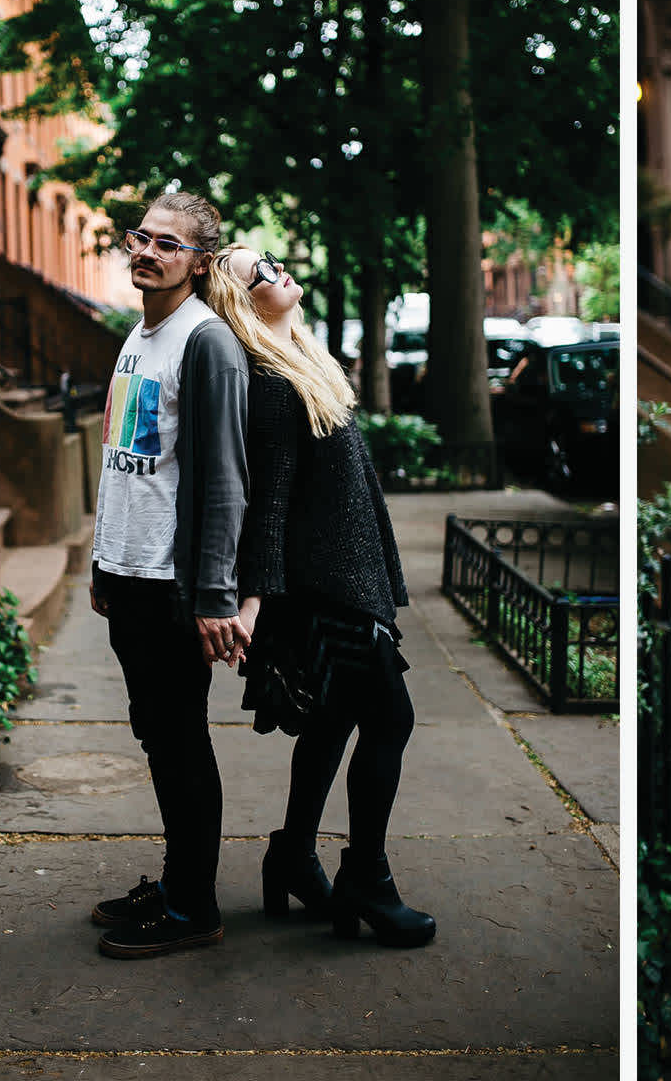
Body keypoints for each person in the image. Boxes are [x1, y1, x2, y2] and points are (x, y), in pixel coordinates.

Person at [205, 244, 436, 948]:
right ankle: (367, 877)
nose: (276, 270)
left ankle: (294, 855)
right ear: (244, 303)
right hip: (321, 594)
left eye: (271, 259)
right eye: (259, 273)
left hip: (343, 581)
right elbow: (268, 508)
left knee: (336, 723)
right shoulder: (272, 384)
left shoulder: (303, 362)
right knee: (390, 721)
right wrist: (252, 603)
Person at [85, 191, 251, 959]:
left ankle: (193, 906)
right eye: (141, 237)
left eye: (168, 244)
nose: (147, 252)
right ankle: (178, 878)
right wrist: (101, 559)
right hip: (129, 572)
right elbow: (125, 467)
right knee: (159, 735)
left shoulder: (204, 342)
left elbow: (224, 479)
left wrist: (216, 595)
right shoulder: (138, 336)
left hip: (172, 586)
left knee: (181, 741)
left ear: (200, 262)